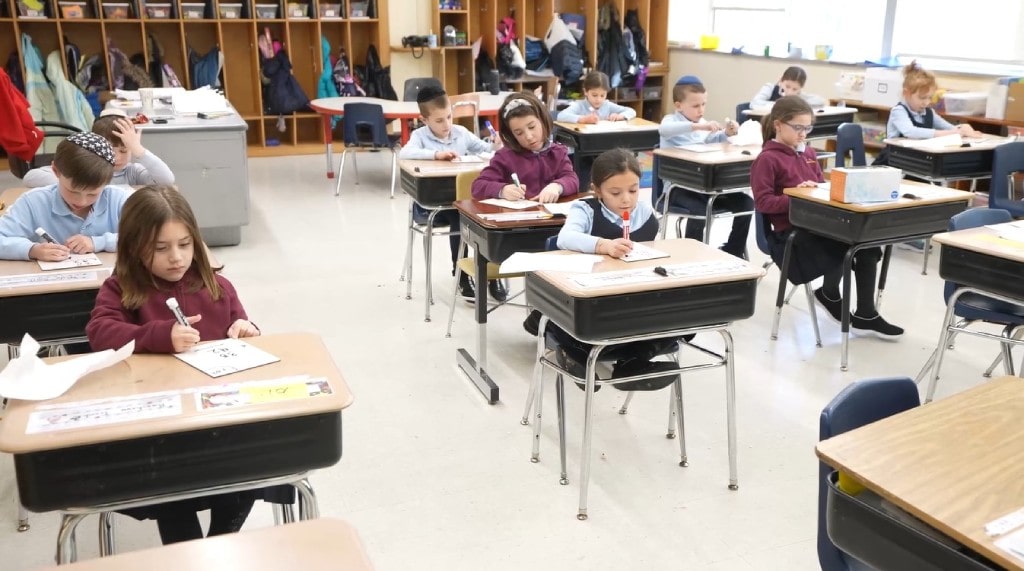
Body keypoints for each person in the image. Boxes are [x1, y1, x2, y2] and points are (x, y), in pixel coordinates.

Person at [86, 185, 260, 544]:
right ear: (134, 247)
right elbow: (99, 332)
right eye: (160, 248)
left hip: (216, 417)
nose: (176, 258)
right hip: (159, 425)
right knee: (170, 487)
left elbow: (241, 324)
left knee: (249, 468)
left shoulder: (217, 286)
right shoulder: (121, 289)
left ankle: (218, 543)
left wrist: (247, 329)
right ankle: (189, 553)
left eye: (184, 244)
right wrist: (159, 335)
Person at [750, 96, 903, 339]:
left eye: (807, 128)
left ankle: (864, 313)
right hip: (791, 236)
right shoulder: (767, 159)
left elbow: (821, 188)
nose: (803, 134)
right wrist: (797, 195)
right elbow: (763, 203)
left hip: (817, 226)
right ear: (778, 125)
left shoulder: (809, 152)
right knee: (848, 245)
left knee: (867, 244)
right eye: (797, 127)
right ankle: (830, 294)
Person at [547, 148, 683, 391]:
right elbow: (565, 238)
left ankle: (632, 363)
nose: (626, 200)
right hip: (592, 294)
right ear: (597, 190)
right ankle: (575, 354)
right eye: (615, 193)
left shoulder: (644, 212)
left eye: (633, 190)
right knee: (581, 321)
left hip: (630, 289)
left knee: (680, 317)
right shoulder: (585, 209)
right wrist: (603, 245)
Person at [472, 91, 580, 301]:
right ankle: (541, 307)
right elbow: (478, 186)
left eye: (532, 127)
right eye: (519, 133)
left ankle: (548, 308)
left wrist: (557, 186)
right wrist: (503, 190)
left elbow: (572, 179)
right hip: (518, 233)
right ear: (511, 135)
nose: (529, 136)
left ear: (543, 120)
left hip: (551, 228)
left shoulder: (557, 152)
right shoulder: (505, 157)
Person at [398, 85, 498, 301]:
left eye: (449, 117)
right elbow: (404, 153)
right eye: (439, 120)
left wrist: (495, 144)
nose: (446, 125)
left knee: (488, 216)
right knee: (459, 216)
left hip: (464, 199)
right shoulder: (419, 136)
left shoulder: (460, 133)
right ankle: (461, 273)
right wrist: (436, 154)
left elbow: (486, 150)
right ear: (424, 120)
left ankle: (491, 272)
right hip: (435, 203)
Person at [0, 132, 131, 261]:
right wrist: (32, 250)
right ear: (56, 171)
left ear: (107, 182)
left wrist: (99, 242)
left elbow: (142, 238)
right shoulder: (33, 202)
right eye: (72, 191)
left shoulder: (119, 199)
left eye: (92, 194)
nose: (82, 201)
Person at [659, 75, 751, 258]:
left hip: (705, 186)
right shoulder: (671, 121)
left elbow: (712, 140)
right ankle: (691, 256)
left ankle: (733, 251)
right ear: (678, 105)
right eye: (695, 106)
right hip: (679, 188)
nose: (701, 110)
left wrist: (726, 133)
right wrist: (698, 127)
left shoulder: (702, 123)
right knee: (700, 210)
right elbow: (664, 130)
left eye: (703, 104)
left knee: (746, 203)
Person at [23, 109, 175, 188]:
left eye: (124, 150)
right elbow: (30, 177)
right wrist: (76, 182)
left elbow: (167, 180)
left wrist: (139, 150)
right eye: (109, 150)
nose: (116, 157)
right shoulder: (84, 169)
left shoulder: (132, 172)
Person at [886, 60, 979, 142]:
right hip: (895, 155)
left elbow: (948, 127)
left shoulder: (929, 112)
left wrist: (962, 128)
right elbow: (911, 132)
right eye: (922, 98)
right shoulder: (898, 111)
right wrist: (950, 133)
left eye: (930, 98)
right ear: (906, 93)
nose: (926, 103)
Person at [556, 71, 636, 124]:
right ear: (586, 92)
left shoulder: (607, 105)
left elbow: (631, 111)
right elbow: (561, 116)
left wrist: (620, 116)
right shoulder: (580, 105)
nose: (598, 99)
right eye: (594, 95)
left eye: (602, 95)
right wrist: (583, 119)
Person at [749, 65, 826, 109]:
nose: (789, 92)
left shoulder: (798, 95)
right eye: (787, 86)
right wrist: (779, 105)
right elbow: (754, 103)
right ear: (781, 80)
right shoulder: (770, 87)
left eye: (795, 89)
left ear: (800, 88)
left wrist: (797, 103)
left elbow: (820, 101)